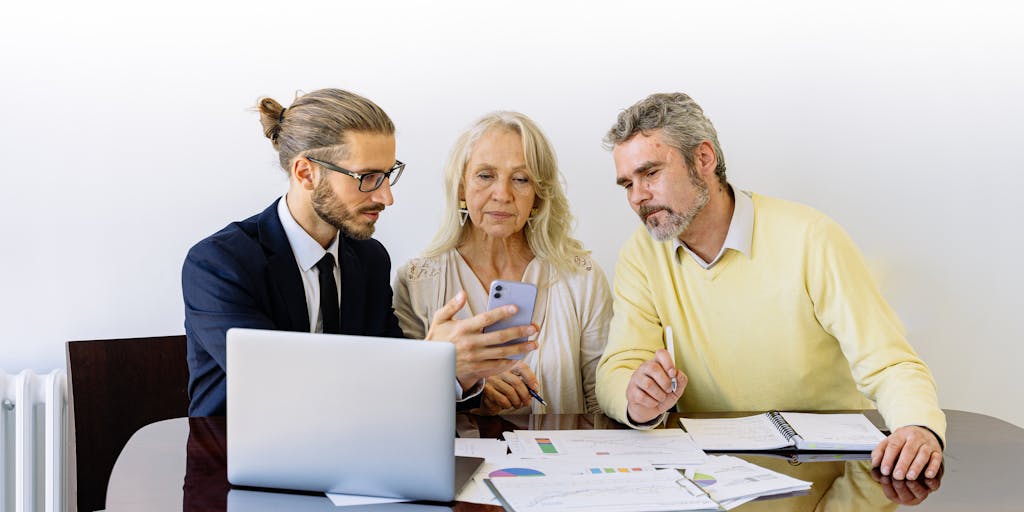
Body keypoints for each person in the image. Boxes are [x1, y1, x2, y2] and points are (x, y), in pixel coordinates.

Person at [595, 92, 945, 481]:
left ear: (704, 159)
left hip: (826, 471)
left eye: (650, 174)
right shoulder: (642, 254)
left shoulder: (812, 238)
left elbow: (889, 361)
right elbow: (618, 367)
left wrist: (918, 426)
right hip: (710, 478)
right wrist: (637, 397)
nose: (638, 197)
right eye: (626, 183)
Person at [182, 89, 536, 417]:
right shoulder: (219, 265)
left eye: (387, 174)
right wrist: (431, 361)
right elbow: (283, 391)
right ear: (306, 173)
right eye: (367, 177)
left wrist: (462, 373)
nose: (386, 197)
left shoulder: (368, 260)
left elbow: (394, 391)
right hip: (234, 466)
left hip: (353, 463)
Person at [393, 111, 612, 415]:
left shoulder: (581, 278)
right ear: (460, 187)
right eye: (485, 175)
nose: (502, 194)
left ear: (537, 194)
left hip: (564, 458)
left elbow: (601, 400)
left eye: (521, 179)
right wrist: (466, 382)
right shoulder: (417, 281)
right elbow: (404, 405)